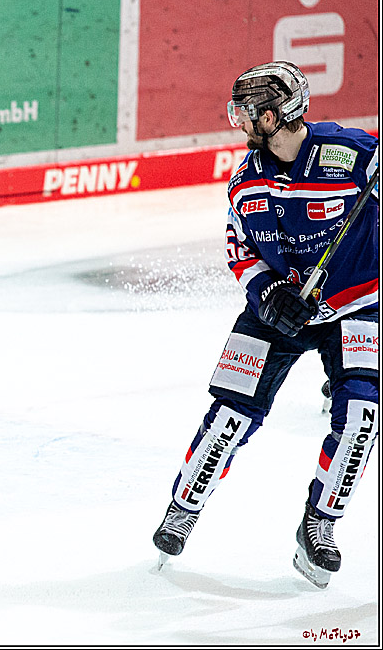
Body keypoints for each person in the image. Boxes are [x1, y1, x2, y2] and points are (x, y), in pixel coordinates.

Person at [152, 61, 379, 589]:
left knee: (362, 415)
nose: (239, 121)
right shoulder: (245, 179)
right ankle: (183, 509)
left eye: (247, 112)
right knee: (229, 414)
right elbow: (239, 246)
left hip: (357, 303)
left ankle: (319, 523)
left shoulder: (353, 154)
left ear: (274, 116)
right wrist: (267, 293)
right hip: (277, 310)